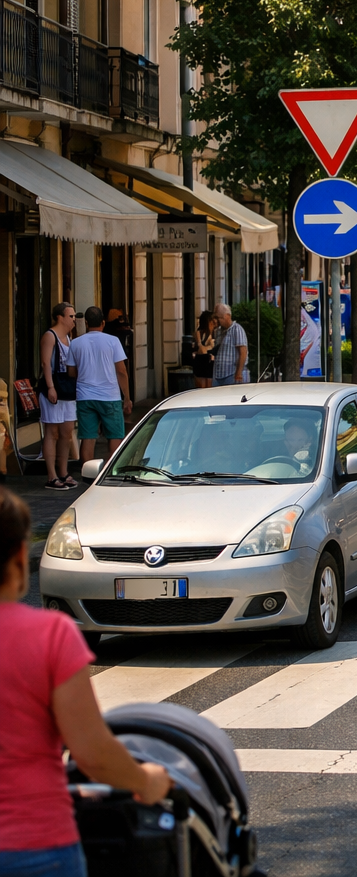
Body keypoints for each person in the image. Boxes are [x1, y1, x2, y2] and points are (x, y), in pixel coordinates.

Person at [0, 488, 172, 877]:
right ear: (15, 561)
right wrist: (145, 780)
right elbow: (92, 753)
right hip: (34, 844)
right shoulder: (49, 636)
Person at [69, 307, 131, 466]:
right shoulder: (112, 341)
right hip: (110, 396)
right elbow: (121, 371)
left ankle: (88, 473)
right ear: (103, 323)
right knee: (114, 436)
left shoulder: (75, 343)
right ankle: (110, 473)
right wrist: (127, 398)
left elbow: (70, 372)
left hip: (85, 396)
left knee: (88, 437)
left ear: (86, 323)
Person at [39, 304, 77, 491]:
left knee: (66, 432)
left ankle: (63, 472)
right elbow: (46, 362)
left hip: (67, 389)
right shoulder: (50, 336)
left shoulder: (69, 338)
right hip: (54, 387)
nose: (74, 319)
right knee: (52, 431)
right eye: (71, 315)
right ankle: (51, 475)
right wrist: (50, 387)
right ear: (60, 317)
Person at [211, 303, 248, 386]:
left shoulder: (237, 329)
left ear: (227, 316)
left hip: (231, 373)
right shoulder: (219, 331)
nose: (216, 320)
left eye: (218, 318)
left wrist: (238, 372)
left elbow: (243, 352)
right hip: (218, 374)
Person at [191, 310, 216, 390]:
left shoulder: (216, 332)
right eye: (212, 320)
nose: (214, 322)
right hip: (202, 361)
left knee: (209, 387)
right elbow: (201, 349)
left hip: (210, 362)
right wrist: (208, 347)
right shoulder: (199, 333)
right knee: (201, 388)